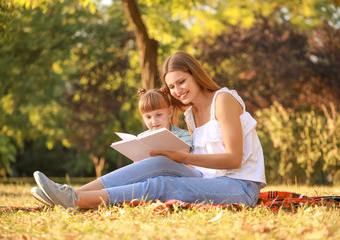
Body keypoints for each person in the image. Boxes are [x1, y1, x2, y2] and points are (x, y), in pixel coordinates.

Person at [32, 51, 266, 210]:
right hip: (208, 179)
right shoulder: (190, 115)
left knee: (163, 184)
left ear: (196, 75)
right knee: (158, 164)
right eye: (172, 86)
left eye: (182, 81)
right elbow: (199, 165)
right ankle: (68, 193)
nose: (177, 91)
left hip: (240, 187)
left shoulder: (223, 100)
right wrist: (171, 156)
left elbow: (234, 159)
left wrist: (182, 157)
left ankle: (77, 199)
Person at [31, 87, 192, 207]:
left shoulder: (184, 135)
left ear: (170, 112)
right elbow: (138, 167)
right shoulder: (143, 138)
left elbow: (190, 163)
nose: (153, 121)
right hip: (148, 177)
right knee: (128, 177)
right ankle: (68, 194)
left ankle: (69, 195)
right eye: (148, 117)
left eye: (159, 114)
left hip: (174, 178)